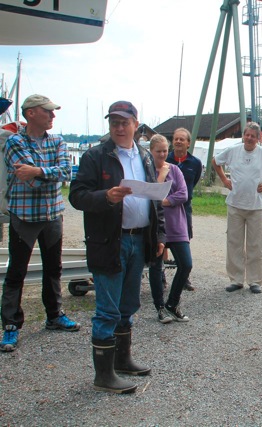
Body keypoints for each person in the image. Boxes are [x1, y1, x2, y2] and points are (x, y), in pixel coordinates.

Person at [69, 100, 166, 394]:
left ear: (136, 124)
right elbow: (77, 196)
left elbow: (155, 199)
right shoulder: (95, 156)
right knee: (107, 309)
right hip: (110, 241)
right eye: (114, 122)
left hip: (139, 239)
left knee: (128, 306)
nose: (119, 127)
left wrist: (159, 235)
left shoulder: (146, 157)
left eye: (124, 122)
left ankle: (122, 360)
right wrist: (106, 197)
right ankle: (103, 376)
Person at [0, 94, 77, 353]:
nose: (53, 116)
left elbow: (66, 173)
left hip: (52, 215)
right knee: (17, 271)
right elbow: (29, 178)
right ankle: (10, 325)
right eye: (48, 111)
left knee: (53, 268)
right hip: (25, 216)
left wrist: (39, 171)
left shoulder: (58, 141)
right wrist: (46, 173)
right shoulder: (14, 142)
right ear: (31, 113)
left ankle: (54, 315)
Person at [212, 122, 262, 294]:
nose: (249, 138)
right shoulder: (233, 151)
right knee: (234, 243)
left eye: (253, 136)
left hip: (256, 205)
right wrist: (224, 180)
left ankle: (255, 281)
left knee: (256, 244)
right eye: (247, 135)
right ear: (243, 135)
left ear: (258, 138)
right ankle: (236, 279)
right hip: (235, 204)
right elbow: (215, 162)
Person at [148, 134, 192, 324]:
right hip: (156, 227)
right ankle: (159, 307)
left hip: (176, 225)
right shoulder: (147, 170)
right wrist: (161, 177)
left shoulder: (175, 169)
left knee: (186, 264)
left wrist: (163, 201)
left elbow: (183, 194)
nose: (163, 154)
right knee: (156, 266)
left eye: (165, 151)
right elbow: (149, 194)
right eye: (159, 151)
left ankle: (172, 303)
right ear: (151, 152)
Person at [166, 127, 202, 292]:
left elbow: (191, 184)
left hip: (184, 209)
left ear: (188, 143)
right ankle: (160, 276)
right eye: (176, 139)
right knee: (162, 240)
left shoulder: (195, 163)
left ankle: (184, 277)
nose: (178, 141)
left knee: (184, 240)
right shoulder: (165, 159)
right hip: (164, 208)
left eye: (182, 139)